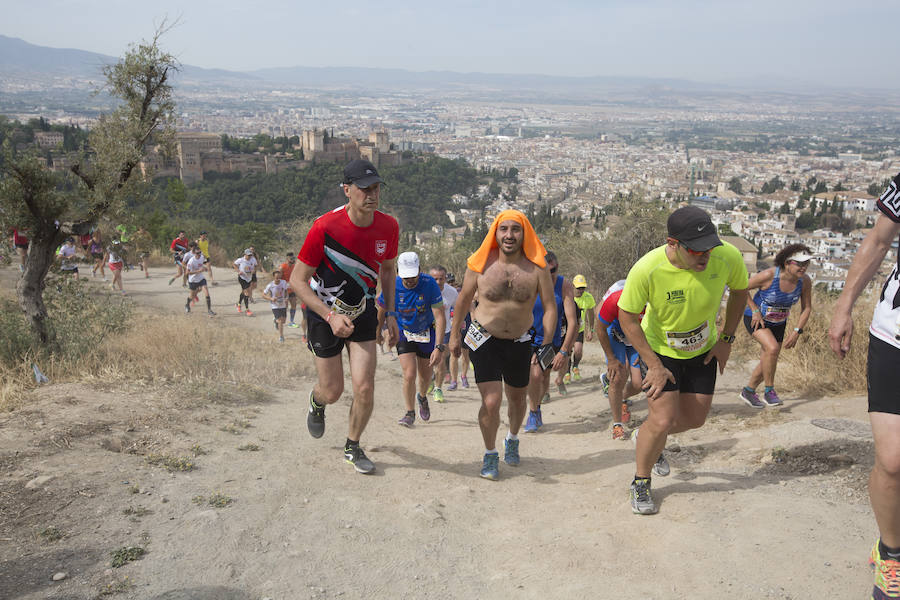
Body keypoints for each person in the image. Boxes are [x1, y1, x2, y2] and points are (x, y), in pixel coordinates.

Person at [618, 205, 748, 515]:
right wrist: (653, 364)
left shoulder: (727, 256)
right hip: (661, 351)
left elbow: (740, 291)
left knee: (695, 419)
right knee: (662, 419)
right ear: (672, 243)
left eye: (709, 248)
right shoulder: (647, 269)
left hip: (703, 348)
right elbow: (627, 316)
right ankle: (641, 481)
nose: (705, 256)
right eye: (696, 250)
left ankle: (646, 437)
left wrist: (726, 339)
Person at [290, 159, 399, 475]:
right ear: (347, 190)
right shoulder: (324, 227)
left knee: (365, 387)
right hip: (325, 314)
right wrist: (329, 315)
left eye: (376, 188)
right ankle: (317, 401)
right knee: (334, 390)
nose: (372, 195)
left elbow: (389, 269)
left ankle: (352, 446)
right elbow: (298, 280)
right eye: (364, 189)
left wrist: (389, 312)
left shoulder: (388, 226)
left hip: (364, 312)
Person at [828, 172, 900, 599]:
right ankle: (891, 553)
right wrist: (843, 307)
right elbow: (877, 242)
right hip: (894, 336)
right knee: (892, 462)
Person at [449, 209, 557, 481]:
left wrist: (546, 342)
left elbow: (550, 306)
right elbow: (462, 299)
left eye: (515, 229)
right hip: (484, 338)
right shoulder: (481, 263)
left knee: (518, 398)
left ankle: (512, 437)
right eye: (504, 229)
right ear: (495, 233)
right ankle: (489, 453)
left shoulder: (537, 267)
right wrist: (453, 335)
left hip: (521, 341)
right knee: (492, 400)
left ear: (524, 233)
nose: (509, 235)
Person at [740, 244, 814, 408]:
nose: (803, 267)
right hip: (756, 320)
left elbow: (807, 308)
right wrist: (754, 310)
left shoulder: (805, 281)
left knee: (769, 358)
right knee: (772, 349)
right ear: (787, 263)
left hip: (779, 322)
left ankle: (749, 391)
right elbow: (740, 287)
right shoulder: (769, 275)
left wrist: (797, 331)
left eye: (806, 263)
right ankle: (769, 391)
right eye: (799, 263)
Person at [377, 252, 445, 427]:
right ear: (399, 272)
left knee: (424, 376)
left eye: (413, 276)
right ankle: (409, 413)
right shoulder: (392, 283)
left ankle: (422, 397)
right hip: (403, 331)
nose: (410, 281)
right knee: (409, 374)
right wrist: (377, 331)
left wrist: (438, 347)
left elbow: (439, 316)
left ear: (420, 271)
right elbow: (381, 309)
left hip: (426, 331)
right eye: (406, 277)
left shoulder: (429, 283)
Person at [524, 251, 577, 433]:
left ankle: (536, 408)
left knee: (544, 376)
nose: (552, 273)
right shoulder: (530, 283)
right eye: (548, 270)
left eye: (555, 269)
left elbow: (572, 322)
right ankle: (532, 412)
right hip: (529, 337)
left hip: (551, 340)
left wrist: (564, 350)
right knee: (535, 375)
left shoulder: (564, 285)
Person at [595, 280, 643, 440]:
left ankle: (621, 397)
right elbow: (599, 326)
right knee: (618, 377)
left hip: (636, 337)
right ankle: (617, 424)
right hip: (615, 334)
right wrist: (611, 358)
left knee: (639, 383)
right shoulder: (615, 297)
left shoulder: (652, 301)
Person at [429, 264, 458, 399]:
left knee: (440, 362)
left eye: (441, 279)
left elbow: (459, 310)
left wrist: (456, 332)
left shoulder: (452, 292)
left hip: (444, 331)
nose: (438, 282)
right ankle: (429, 379)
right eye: (435, 279)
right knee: (426, 363)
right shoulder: (423, 290)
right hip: (425, 332)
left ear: (445, 278)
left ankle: (438, 388)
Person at [569, 274, 596, 382]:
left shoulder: (588, 297)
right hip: (567, 329)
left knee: (578, 350)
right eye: (578, 288)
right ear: (573, 286)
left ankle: (575, 366)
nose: (581, 290)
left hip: (579, 329)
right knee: (567, 352)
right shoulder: (567, 296)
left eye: (583, 288)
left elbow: (590, 313)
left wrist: (591, 329)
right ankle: (566, 373)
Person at [184, 245, 216, 317]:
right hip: (193, 280)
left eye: (200, 252)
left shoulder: (202, 257)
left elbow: (202, 264)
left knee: (207, 293)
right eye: (197, 253)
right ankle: (187, 304)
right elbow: (187, 273)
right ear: (194, 253)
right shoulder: (191, 261)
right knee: (192, 295)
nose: (199, 254)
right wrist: (198, 271)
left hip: (201, 278)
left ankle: (209, 310)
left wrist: (204, 268)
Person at [262, 269, 290, 342]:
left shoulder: (283, 282)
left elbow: (286, 291)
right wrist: (271, 298)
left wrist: (287, 298)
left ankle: (275, 320)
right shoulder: (270, 285)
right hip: (275, 305)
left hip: (283, 304)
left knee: (283, 321)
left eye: (279, 277)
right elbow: (263, 295)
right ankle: (281, 336)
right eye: (276, 277)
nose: (278, 279)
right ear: (273, 277)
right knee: (280, 321)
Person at [279, 253, 303, 335]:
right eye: (291, 258)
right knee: (284, 306)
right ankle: (279, 319)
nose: (293, 259)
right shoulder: (282, 267)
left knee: (294, 305)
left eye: (293, 258)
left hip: (292, 289)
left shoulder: (294, 267)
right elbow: (277, 278)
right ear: (287, 258)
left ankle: (291, 321)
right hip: (284, 290)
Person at [233, 248, 257, 316]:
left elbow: (255, 265)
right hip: (242, 278)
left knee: (244, 292)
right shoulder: (241, 260)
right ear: (245, 255)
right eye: (248, 255)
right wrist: (238, 271)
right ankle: (247, 310)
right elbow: (234, 264)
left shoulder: (253, 259)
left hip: (249, 278)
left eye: (250, 255)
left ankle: (238, 304)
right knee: (246, 293)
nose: (249, 257)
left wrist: (254, 270)